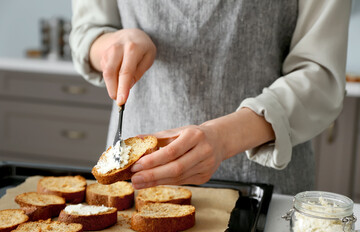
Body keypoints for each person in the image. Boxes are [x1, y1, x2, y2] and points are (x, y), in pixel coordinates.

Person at [70, 0, 351, 194]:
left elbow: (320, 75)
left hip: (265, 183)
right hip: (137, 181)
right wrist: (111, 45)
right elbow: (88, 31)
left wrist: (223, 138)